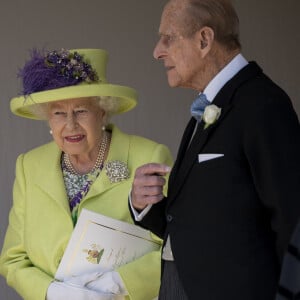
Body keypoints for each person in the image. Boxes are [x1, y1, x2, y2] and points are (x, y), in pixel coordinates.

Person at [129, 0, 300, 299]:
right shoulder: (209, 105)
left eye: (168, 37)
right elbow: (209, 220)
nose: (157, 51)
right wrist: (145, 206)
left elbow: (293, 219)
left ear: (204, 40)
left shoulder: (264, 105)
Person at [0, 48, 173, 300]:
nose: (70, 125)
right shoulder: (30, 166)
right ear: (48, 119)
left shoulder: (148, 157)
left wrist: (119, 284)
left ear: (103, 111)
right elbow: (13, 259)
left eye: (81, 110)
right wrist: (51, 292)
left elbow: (175, 245)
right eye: (59, 113)